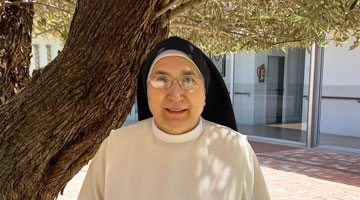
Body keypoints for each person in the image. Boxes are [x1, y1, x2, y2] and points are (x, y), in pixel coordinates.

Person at [78, 37, 270, 200]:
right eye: (161, 80)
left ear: (205, 93)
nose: (175, 95)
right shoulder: (115, 148)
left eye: (188, 80)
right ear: (147, 92)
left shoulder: (235, 149)